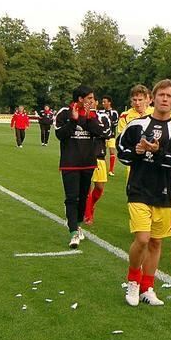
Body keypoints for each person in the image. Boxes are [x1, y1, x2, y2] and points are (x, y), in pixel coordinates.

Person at [116, 80, 171, 306]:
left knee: (156, 242)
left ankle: (148, 287)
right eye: (161, 95)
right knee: (142, 238)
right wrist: (137, 152)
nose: (164, 99)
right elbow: (121, 150)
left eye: (169, 96)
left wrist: (157, 151)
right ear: (153, 98)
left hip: (163, 191)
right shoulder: (137, 125)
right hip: (138, 187)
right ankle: (133, 281)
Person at [55, 86, 104, 248]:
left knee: (83, 198)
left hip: (88, 163)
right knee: (72, 197)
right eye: (89, 98)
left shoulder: (93, 114)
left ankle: (76, 223)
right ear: (80, 99)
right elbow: (60, 135)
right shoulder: (64, 112)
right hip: (70, 164)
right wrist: (73, 121)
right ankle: (73, 233)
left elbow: (99, 132)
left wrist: (88, 117)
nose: (92, 101)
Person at [82, 100, 114, 225]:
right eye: (86, 100)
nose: (89, 102)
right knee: (87, 188)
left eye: (92, 100)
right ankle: (88, 214)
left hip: (99, 156)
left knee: (99, 188)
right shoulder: (81, 115)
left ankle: (90, 206)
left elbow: (107, 133)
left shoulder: (103, 117)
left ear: (96, 102)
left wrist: (93, 124)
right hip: (85, 155)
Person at [101, 95, 119, 176]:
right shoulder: (101, 112)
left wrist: (108, 122)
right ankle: (103, 169)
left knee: (112, 152)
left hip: (111, 136)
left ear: (109, 102)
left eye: (105, 102)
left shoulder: (114, 112)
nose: (103, 103)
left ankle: (111, 170)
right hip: (103, 136)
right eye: (103, 102)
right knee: (102, 153)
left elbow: (115, 123)